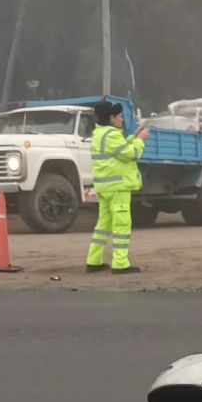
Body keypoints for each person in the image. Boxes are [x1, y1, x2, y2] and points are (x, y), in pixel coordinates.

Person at [86, 99, 149, 274]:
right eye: (120, 116)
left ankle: (94, 261)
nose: (122, 119)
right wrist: (141, 140)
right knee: (122, 226)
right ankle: (120, 264)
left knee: (103, 226)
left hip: (105, 187)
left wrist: (132, 137)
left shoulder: (100, 133)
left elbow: (117, 150)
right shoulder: (112, 135)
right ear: (111, 118)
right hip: (117, 188)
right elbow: (130, 154)